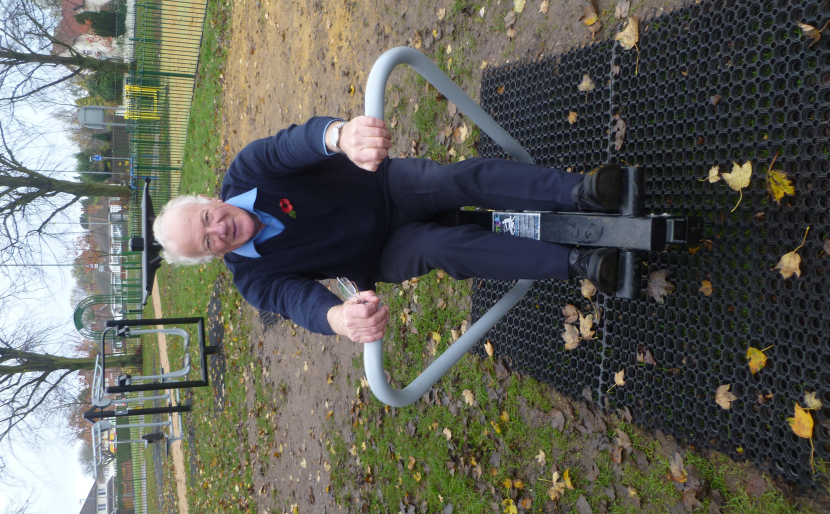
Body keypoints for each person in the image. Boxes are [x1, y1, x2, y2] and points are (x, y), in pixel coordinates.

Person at [153, 116, 621, 343]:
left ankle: (582, 192)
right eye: (209, 242)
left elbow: (292, 145)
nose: (220, 229)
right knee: (443, 247)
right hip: (382, 253)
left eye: (207, 218)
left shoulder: (247, 170)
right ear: (213, 255)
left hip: (382, 186)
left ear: (209, 200)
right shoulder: (253, 280)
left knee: (452, 180)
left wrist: (340, 136)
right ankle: (577, 261)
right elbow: (297, 302)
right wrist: (338, 319)